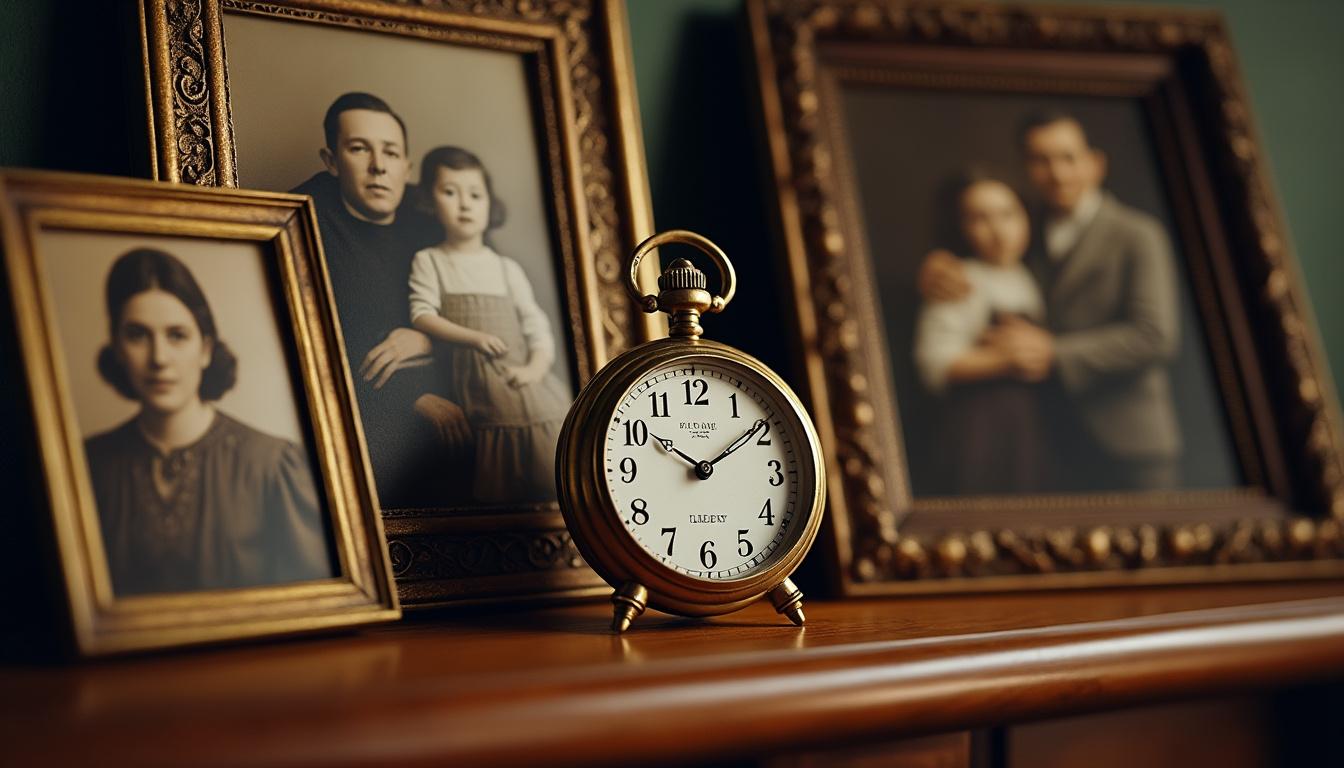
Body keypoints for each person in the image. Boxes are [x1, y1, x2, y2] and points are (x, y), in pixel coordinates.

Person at [918, 111, 1182, 491]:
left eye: (1068, 158)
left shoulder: (1137, 235)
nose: (1057, 174)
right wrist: (936, 265)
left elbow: (1155, 336)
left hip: (1130, 440)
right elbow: (979, 267)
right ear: (1026, 168)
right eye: (1041, 161)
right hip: (1052, 439)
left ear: (1096, 164)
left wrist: (1054, 352)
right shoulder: (1022, 229)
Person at [84, 248, 331, 596]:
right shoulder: (90, 466)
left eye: (177, 335)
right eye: (138, 335)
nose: (159, 358)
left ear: (205, 348)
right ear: (118, 349)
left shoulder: (272, 464)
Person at [290, 92, 472, 508]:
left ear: (407, 165)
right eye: (359, 149)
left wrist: (429, 338)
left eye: (391, 152)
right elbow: (308, 344)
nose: (378, 166)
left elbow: (488, 314)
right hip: (360, 402)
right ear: (332, 161)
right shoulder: (302, 219)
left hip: (448, 377)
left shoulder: (432, 216)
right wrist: (412, 397)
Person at [408, 146, 570, 504]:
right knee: (497, 484)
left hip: (528, 385)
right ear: (429, 202)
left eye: (475, 194)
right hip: (482, 390)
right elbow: (422, 314)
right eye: (450, 192)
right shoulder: (430, 261)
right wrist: (474, 337)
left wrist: (534, 369)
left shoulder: (505, 267)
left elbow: (536, 327)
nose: (464, 204)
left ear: (488, 204)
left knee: (551, 471)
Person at [913, 172, 1053, 494]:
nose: (999, 230)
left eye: (1008, 214)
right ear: (961, 227)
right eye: (980, 219)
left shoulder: (1029, 274)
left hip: (1026, 426)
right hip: (982, 427)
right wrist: (1003, 359)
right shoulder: (958, 280)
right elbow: (934, 364)